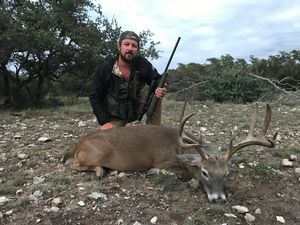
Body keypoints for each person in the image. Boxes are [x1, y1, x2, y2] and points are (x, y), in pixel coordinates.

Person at [89, 30, 167, 130]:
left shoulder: (143, 63)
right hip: (115, 115)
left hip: (136, 109)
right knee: (108, 140)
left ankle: (154, 131)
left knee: (156, 94)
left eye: (134, 46)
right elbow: (94, 96)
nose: (130, 48)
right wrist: (104, 122)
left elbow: (158, 79)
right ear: (119, 46)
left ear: (137, 50)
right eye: (126, 44)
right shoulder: (106, 66)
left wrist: (161, 88)